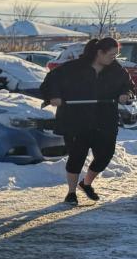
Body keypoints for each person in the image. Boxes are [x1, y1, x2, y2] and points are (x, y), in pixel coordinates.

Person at [41, 36, 134, 205]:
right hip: (76, 119)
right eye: (112, 55)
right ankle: (71, 192)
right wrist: (53, 96)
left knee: (105, 155)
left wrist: (125, 94)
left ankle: (86, 183)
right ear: (100, 53)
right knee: (77, 156)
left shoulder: (116, 70)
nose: (115, 58)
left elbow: (128, 86)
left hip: (105, 120)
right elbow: (51, 80)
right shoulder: (74, 68)